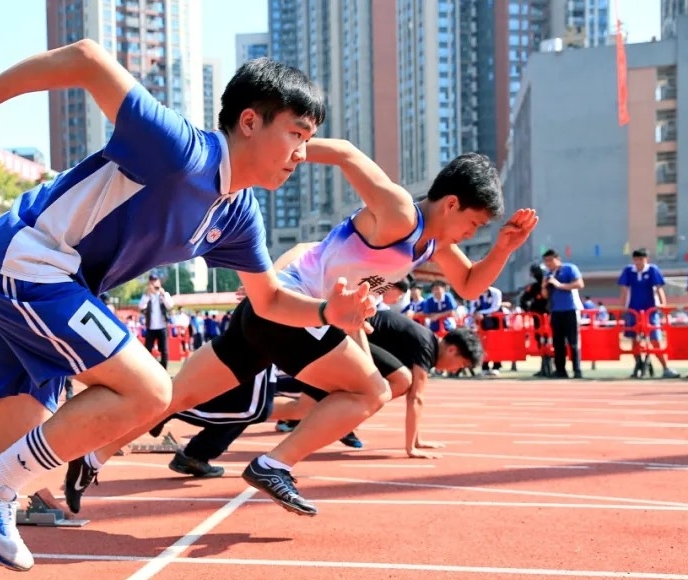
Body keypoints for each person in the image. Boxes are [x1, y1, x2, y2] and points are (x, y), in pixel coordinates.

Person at [0, 43, 376, 580]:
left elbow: (268, 301)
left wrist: (328, 310)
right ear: (249, 121)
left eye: (309, 140)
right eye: (296, 134)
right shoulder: (178, 150)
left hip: (50, 281)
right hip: (27, 258)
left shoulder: (238, 213)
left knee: (22, 450)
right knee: (150, 391)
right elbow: (87, 58)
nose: (301, 154)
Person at [65, 151, 538, 516]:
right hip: (294, 311)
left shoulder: (431, 241)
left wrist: (501, 248)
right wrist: (280, 155)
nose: (469, 233)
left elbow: (472, 284)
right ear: (451, 203)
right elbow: (350, 155)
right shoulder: (400, 214)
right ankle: (273, 464)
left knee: (172, 395)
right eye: (473, 223)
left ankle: (93, 455)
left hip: (269, 314)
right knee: (374, 391)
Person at [166, 309, 482, 478]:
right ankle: (177, 411)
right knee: (398, 381)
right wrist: (411, 447)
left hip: (333, 352)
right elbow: (416, 398)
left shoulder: (418, 342)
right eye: (460, 363)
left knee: (291, 408)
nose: (455, 369)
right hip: (328, 342)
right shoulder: (425, 349)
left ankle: (194, 439)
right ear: (452, 348)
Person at [618, 248, 678, 378]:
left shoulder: (652, 270)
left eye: (641, 259)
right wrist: (623, 308)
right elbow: (623, 290)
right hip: (633, 310)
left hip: (651, 310)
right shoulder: (628, 271)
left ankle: (665, 368)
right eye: (636, 259)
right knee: (634, 340)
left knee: (655, 339)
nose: (638, 262)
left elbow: (659, 288)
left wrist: (663, 305)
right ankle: (638, 366)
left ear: (646, 259)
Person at [541, 249, 584, 379]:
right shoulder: (548, 274)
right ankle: (560, 370)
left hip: (571, 309)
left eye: (550, 260)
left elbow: (580, 284)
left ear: (557, 259)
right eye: (546, 261)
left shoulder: (569, 268)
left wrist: (559, 285)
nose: (548, 264)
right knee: (558, 342)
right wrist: (544, 285)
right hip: (555, 311)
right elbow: (545, 295)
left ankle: (577, 370)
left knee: (573, 342)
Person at [139, 273, 173, 368]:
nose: (153, 283)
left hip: (162, 327)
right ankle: (147, 370)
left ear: (159, 282)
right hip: (150, 327)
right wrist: (147, 295)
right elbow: (141, 306)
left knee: (164, 351)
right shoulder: (147, 295)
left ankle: (164, 370)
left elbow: (170, 305)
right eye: (152, 281)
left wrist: (163, 294)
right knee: (147, 350)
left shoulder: (164, 294)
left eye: (155, 281)